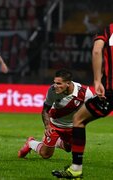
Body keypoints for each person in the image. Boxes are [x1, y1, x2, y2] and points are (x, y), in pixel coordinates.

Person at [52, 24, 113, 179]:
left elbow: (97, 50)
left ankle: (76, 168)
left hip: (110, 90)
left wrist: (97, 80)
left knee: (78, 119)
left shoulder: (108, 30)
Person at [18, 69, 93, 160]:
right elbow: (45, 110)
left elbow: (90, 111)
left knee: (69, 148)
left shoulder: (85, 93)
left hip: (72, 126)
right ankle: (31, 143)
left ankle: (56, 141)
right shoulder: (52, 90)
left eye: (59, 83)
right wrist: (47, 126)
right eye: (55, 82)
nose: (55, 86)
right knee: (46, 155)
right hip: (55, 124)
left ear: (68, 83)